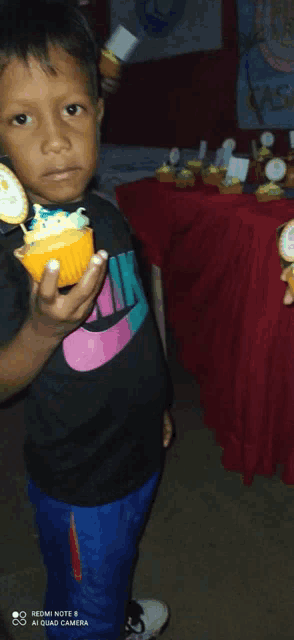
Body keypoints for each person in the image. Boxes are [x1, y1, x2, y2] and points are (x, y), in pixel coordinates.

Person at [0, 1, 174, 639]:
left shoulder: (108, 214)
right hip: (80, 481)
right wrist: (44, 328)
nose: (54, 139)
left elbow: (135, 317)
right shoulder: (8, 248)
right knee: (80, 597)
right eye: (21, 118)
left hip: (137, 454)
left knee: (107, 568)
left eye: (71, 109)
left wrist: (156, 402)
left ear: (98, 112)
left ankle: (105, 611)